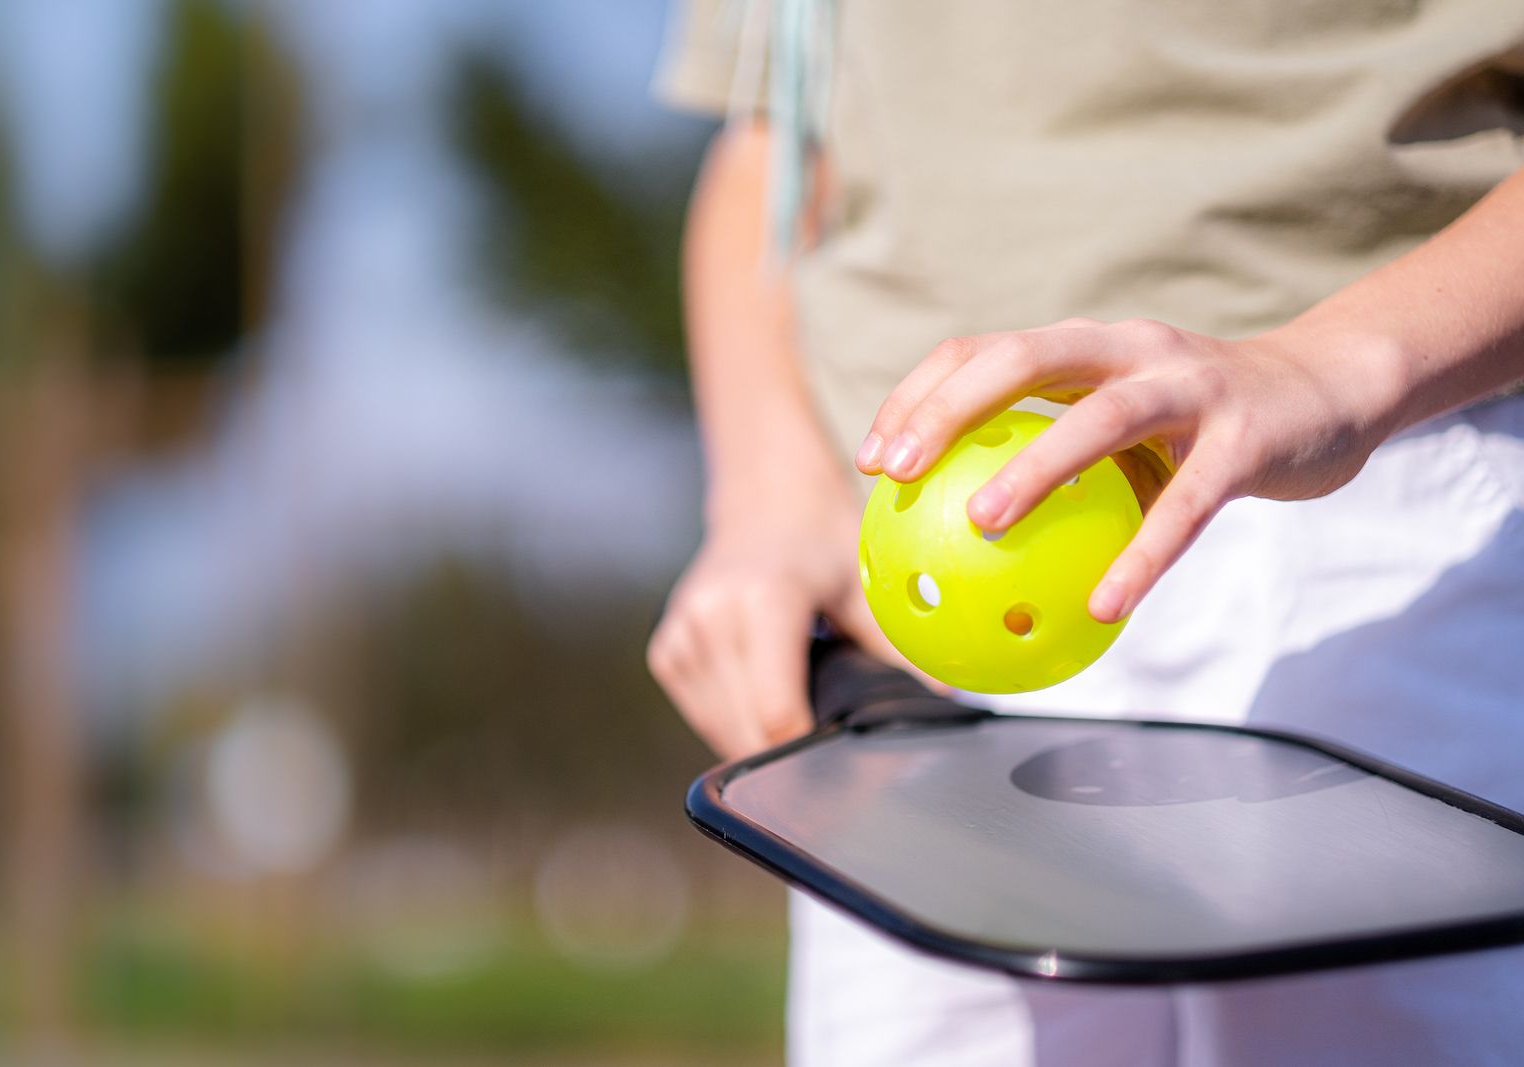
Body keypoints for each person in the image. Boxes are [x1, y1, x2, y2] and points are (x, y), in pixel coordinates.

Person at [648, 2, 1524, 1064]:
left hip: (1383, 514)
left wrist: (1337, 365)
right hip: (906, 620)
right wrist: (767, 494)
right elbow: (772, 139)